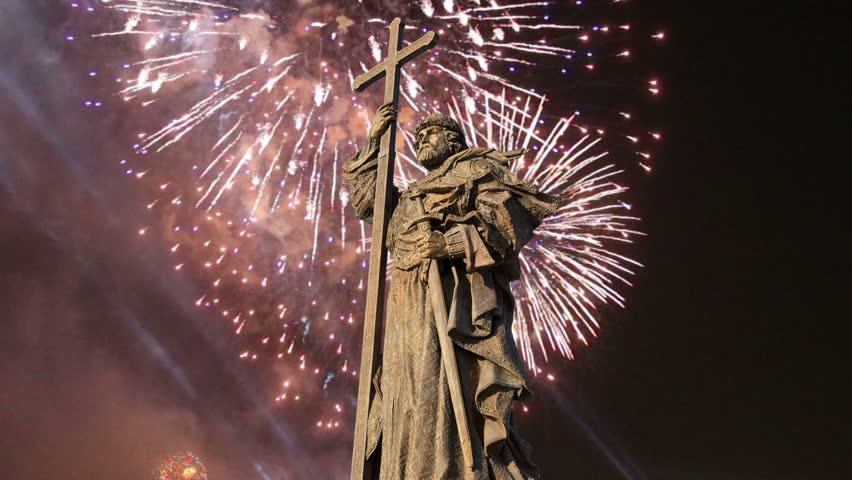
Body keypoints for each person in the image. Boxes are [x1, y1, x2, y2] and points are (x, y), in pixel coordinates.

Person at [344, 103, 558, 480]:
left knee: (443, 388)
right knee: (403, 395)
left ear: (453, 139)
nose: (422, 138)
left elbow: (509, 222)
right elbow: (369, 204)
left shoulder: (474, 170)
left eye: (432, 132)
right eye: (419, 134)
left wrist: (452, 244)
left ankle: (449, 470)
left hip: (451, 300)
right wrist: (375, 141)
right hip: (405, 304)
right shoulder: (411, 197)